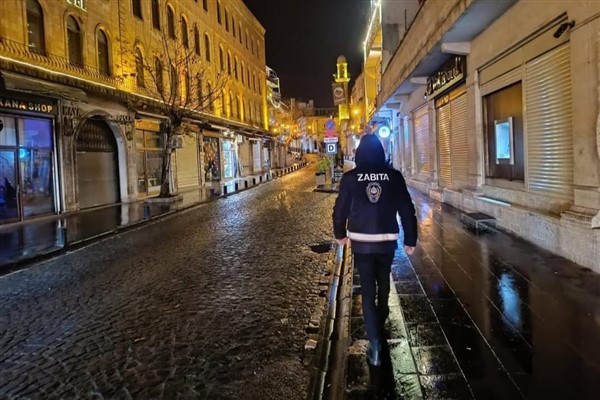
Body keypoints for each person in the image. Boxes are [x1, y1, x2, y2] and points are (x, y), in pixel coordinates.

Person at [332, 134, 418, 367]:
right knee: (384, 278)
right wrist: (411, 239)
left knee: (367, 290)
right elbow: (407, 209)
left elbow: (339, 210)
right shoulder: (394, 176)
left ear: (359, 154)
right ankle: (381, 316)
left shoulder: (350, 178)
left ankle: (376, 345)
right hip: (386, 239)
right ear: (381, 152)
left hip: (361, 242)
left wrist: (340, 234)